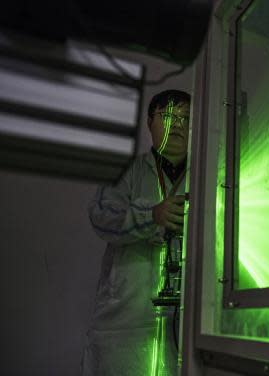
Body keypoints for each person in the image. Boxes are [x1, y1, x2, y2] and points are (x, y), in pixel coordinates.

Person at [81, 89, 191, 376]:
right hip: (123, 326)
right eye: (168, 116)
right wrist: (151, 216)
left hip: (184, 327)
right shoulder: (127, 169)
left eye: (186, 118)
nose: (178, 125)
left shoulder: (209, 176)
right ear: (149, 122)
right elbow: (101, 216)